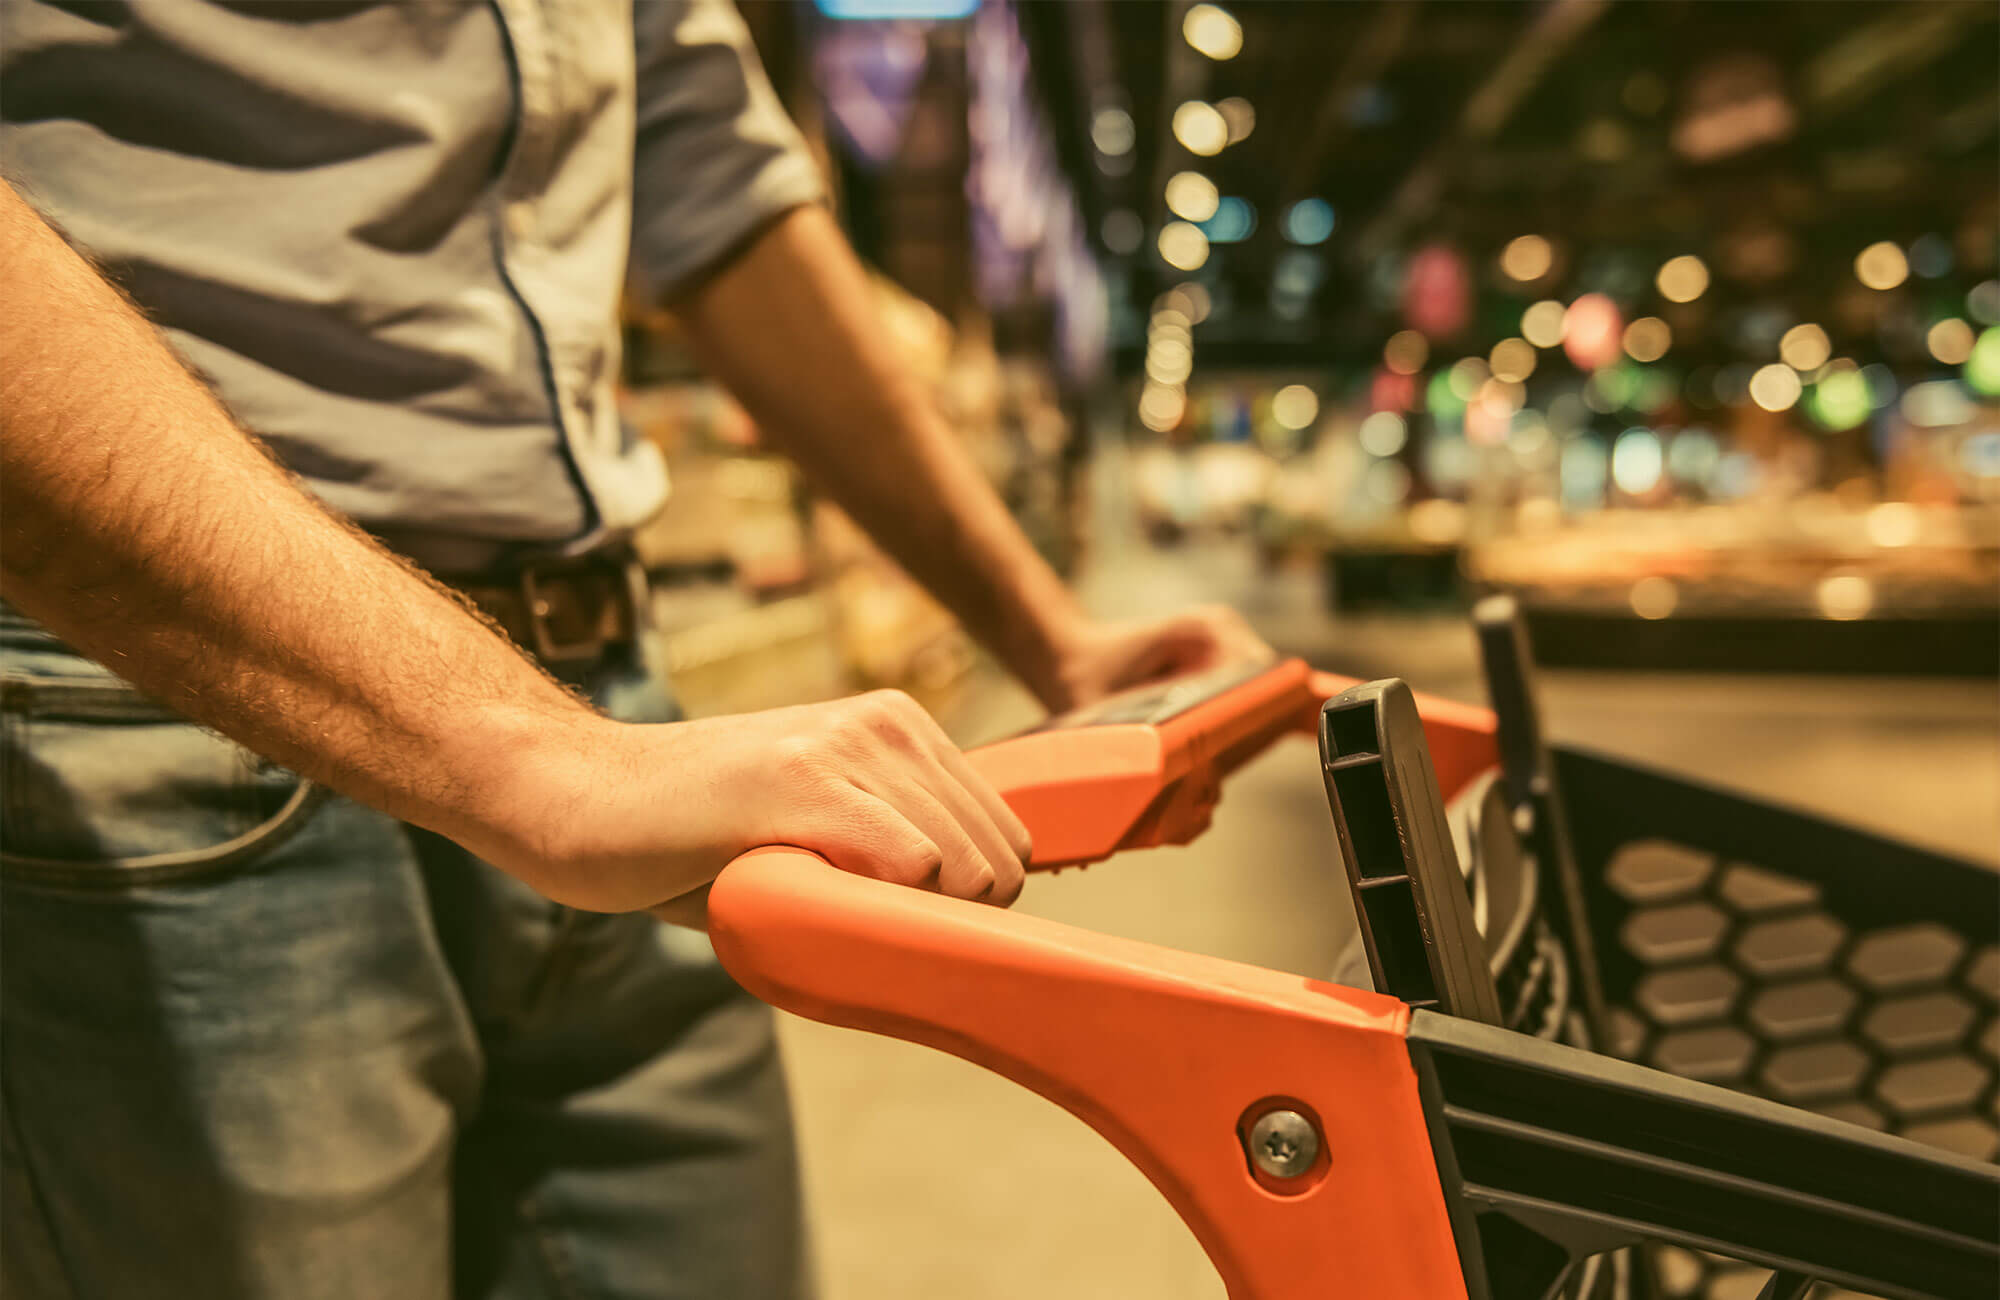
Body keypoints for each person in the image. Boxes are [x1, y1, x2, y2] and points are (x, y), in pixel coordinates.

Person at [0, 3, 1266, 1298]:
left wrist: (1048, 636)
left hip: (599, 691)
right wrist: (527, 758)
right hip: (171, 711)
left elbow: (706, 168)